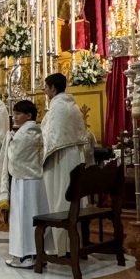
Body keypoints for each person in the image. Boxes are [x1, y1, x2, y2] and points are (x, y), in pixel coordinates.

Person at [40, 73, 90, 256]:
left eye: (46, 87)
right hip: (73, 158)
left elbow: (48, 138)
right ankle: (74, 244)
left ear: (53, 88)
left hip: (58, 160)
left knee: (60, 200)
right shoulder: (72, 105)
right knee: (70, 201)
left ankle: (62, 248)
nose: (44, 90)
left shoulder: (57, 108)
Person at [0, 99, 48, 269]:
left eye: (18, 114)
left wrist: (9, 141)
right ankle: (37, 253)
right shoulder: (37, 131)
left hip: (24, 182)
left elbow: (16, 156)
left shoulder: (25, 133)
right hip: (36, 182)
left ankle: (26, 257)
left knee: (24, 219)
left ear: (29, 115)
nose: (15, 117)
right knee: (32, 217)